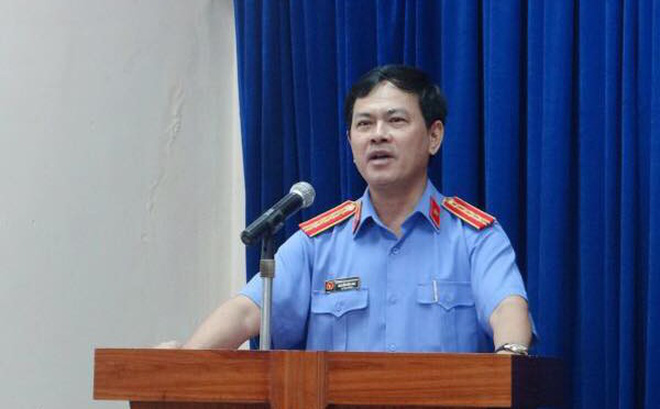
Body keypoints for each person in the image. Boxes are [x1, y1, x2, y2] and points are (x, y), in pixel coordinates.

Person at [162, 65, 532, 354]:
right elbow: (247, 312)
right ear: (350, 141)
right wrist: (181, 365)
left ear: (434, 136)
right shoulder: (317, 243)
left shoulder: (474, 237)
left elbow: (507, 307)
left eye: (396, 120)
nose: (378, 134)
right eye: (364, 124)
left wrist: (510, 355)